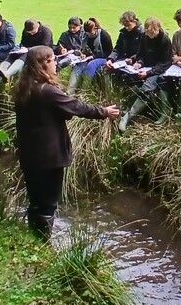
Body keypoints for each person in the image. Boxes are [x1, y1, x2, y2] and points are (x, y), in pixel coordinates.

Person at [13, 46, 120, 240]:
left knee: (36, 200)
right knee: (48, 204)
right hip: (48, 156)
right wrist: (104, 112)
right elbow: (76, 107)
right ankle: (42, 244)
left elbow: (62, 111)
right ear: (42, 64)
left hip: (29, 154)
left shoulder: (24, 87)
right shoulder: (47, 91)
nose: (56, 63)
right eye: (53, 60)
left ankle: (33, 240)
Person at [118, 17, 174, 132]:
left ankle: (127, 116)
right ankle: (127, 106)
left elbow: (165, 62)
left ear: (158, 29)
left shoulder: (164, 40)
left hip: (158, 70)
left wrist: (148, 72)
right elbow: (141, 53)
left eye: (152, 32)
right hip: (146, 67)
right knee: (131, 80)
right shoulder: (145, 37)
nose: (150, 35)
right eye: (148, 32)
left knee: (147, 88)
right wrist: (139, 62)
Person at [0, 19, 54, 85]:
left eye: (33, 32)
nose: (31, 34)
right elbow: (23, 42)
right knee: (12, 54)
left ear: (37, 26)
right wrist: (22, 48)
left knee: (26, 54)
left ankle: (8, 74)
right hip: (28, 49)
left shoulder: (46, 32)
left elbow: (45, 47)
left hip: (43, 52)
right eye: (29, 33)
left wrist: (28, 49)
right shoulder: (26, 31)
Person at [67, 17, 114, 94]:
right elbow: (85, 50)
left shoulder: (104, 35)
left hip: (103, 57)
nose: (89, 35)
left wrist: (93, 57)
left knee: (92, 65)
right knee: (79, 65)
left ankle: (84, 90)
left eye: (91, 33)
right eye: (87, 33)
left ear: (96, 29)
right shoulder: (85, 36)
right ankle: (70, 91)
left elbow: (109, 52)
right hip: (90, 57)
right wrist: (83, 54)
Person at [104, 11, 144, 81]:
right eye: (125, 26)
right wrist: (110, 59)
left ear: (134, 22)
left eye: (129, 25)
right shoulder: (123, 33)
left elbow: (143, 51)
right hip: (123, 60)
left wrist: (133, 59)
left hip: (137, 61)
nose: (127, 28)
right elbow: (117, 48)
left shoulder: (142, 33)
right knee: (106, 69)